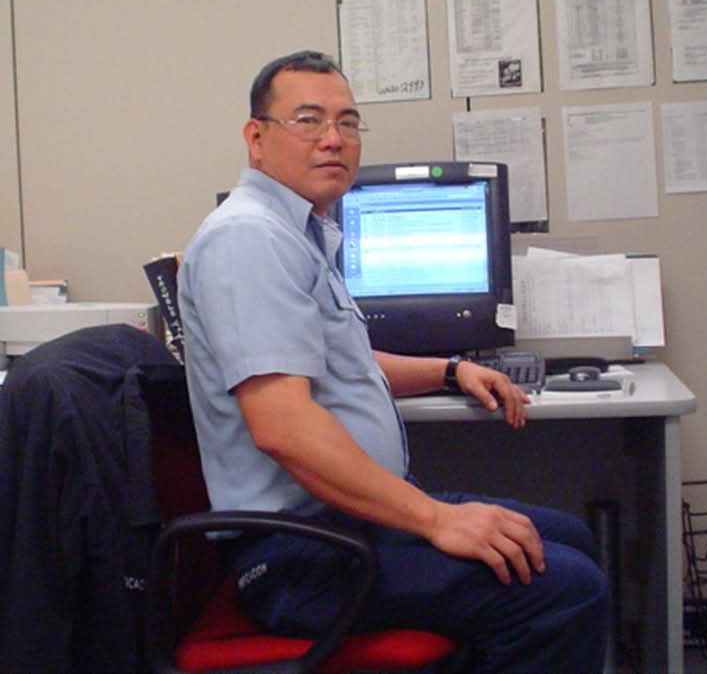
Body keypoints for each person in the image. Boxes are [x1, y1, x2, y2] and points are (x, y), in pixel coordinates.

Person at [177, 50, 608, 673]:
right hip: (296, 557)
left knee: (566, 538)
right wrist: (436, 520)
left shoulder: (296, 232)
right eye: (308, 120)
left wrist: (450, 371)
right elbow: (282, 427)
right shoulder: (249, 238)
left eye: (348, 122)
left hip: (344, 524)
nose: (333, 139)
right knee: (564, 588)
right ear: (257, 137)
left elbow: (339, 364)